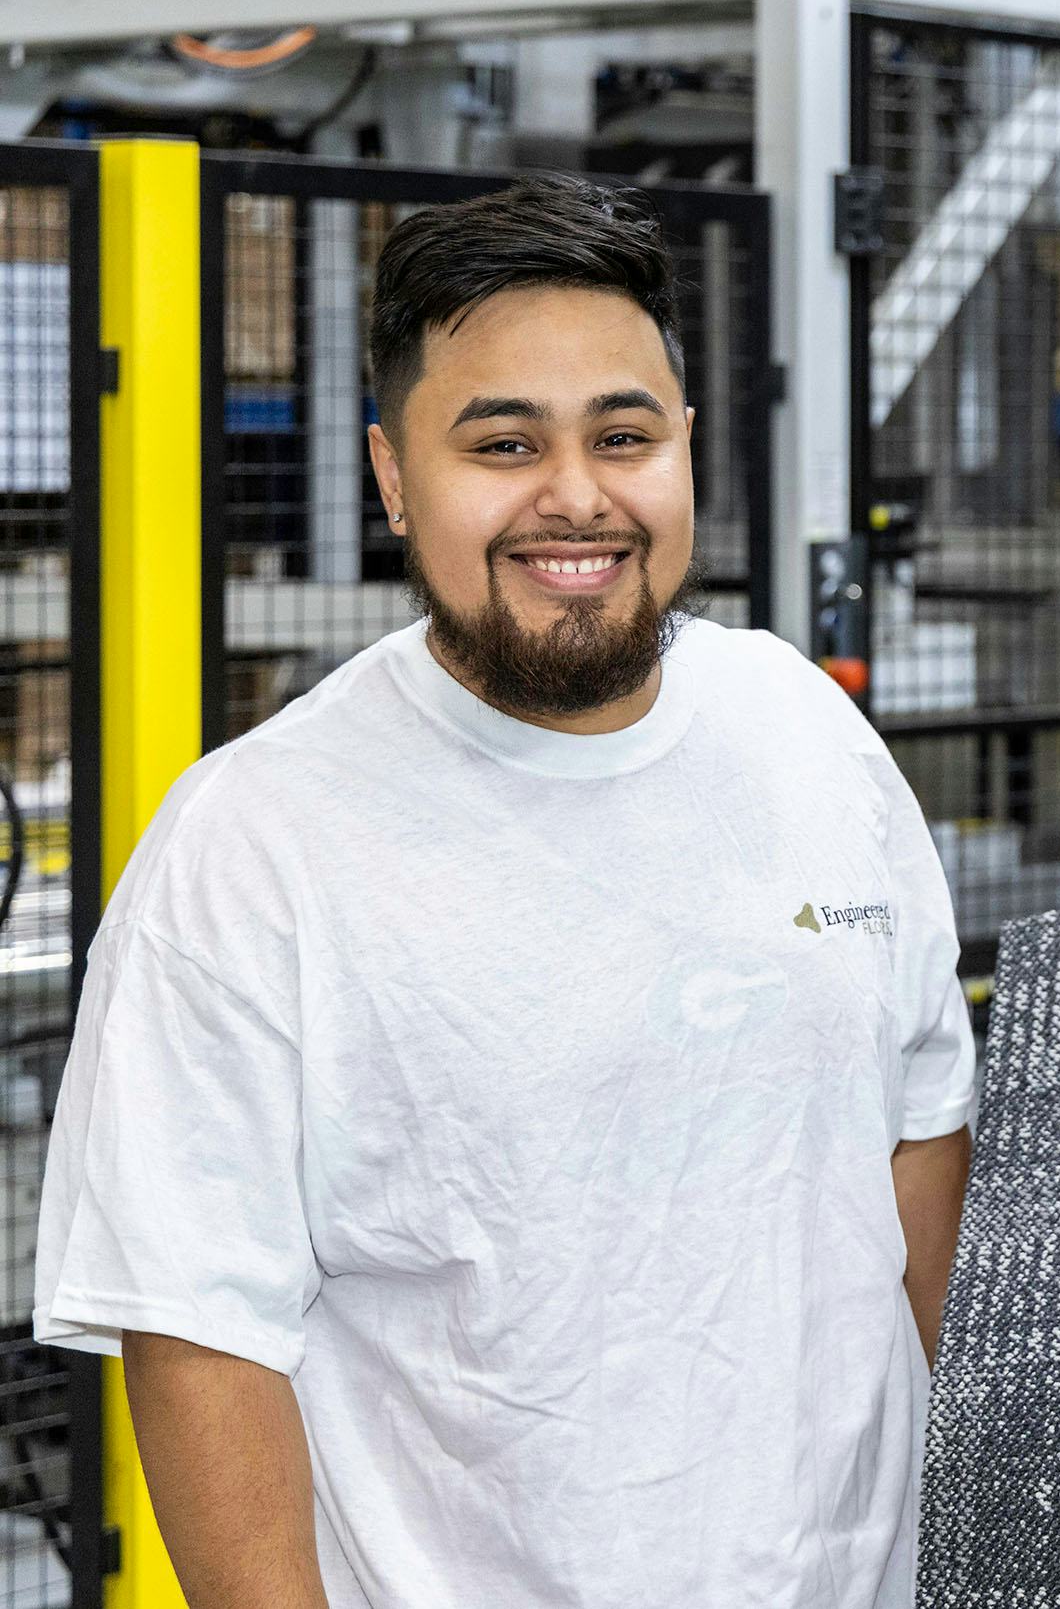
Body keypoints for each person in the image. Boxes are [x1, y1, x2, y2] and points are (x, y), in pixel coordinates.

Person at [36, 175, 976, 1607]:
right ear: (393, 475)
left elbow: (919, 1145)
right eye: (502, 443)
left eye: (623, 434)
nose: (578, 496)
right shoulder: (258, 840)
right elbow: (200, 1337)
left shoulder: (805, 728)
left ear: (687, 450)